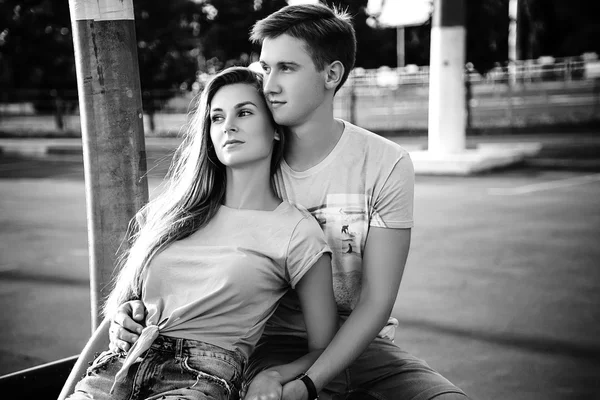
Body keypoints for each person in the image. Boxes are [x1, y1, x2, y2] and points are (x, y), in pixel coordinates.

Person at [110, 4, 470, 400]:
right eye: (266, 69)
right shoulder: (250, 161)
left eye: (287, 68)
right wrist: (127, 313)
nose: (270, 84)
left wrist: (308, 382)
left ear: (332, 74)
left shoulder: (386, 163)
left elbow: (376, 302)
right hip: (263, 348)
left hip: (362, 344)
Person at [58, 66, 339, 400]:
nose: (229, 126)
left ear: (276, 129)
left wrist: (273, 376)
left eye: (245, 113)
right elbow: (127, 306)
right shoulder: (168, 215)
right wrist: (123, 315)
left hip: (198, 379)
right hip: (119, 365)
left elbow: (326, 347)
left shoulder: (297, 231)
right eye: (217, 118)